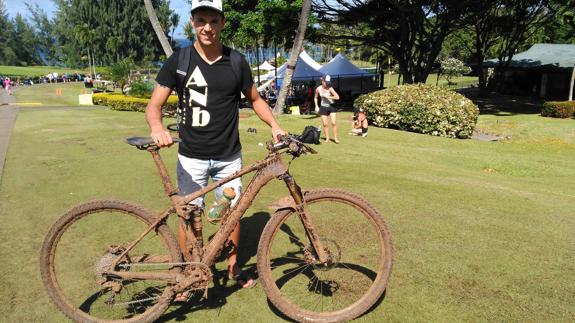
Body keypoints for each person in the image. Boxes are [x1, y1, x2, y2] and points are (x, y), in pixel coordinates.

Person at [145, 0, 285, 298]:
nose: (207, 27)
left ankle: (233, 267)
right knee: (189, 217)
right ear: (193, 23)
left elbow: (256, 99)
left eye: (213, 20)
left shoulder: (236, 62)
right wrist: (157, 129)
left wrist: (274, 125)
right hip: (191, 157)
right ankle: (186, 273)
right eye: (200, 21)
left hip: (228, 157)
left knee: (231, 215)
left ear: (222, 23)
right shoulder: (179, 60)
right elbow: (154, 106)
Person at [314, 75, 340, 143]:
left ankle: (335, 139)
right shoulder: (318, 89)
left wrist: (328, 97)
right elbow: (315, 97)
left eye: (328, 82)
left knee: (333, 123)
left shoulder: (330, 88)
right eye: (326, 82)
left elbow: (337, 97)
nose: (327, 84)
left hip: (331, 106)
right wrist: (316, 106)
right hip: (323, 107)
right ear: (322, 81)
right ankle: (327, 138)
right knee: (325, 124)